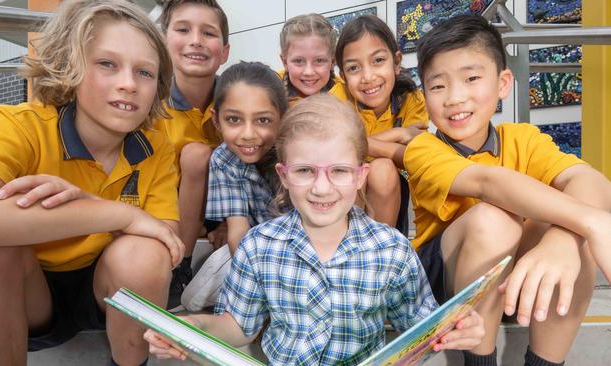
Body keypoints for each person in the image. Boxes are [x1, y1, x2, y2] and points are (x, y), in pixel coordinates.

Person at [144, 95, 486, 364]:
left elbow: (419, 326)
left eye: (338, 171)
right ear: (284, 175)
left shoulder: (392, 250)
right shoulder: (259, 245)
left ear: (360, 176)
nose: (322, 188)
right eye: (305, 171)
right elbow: (237, 326)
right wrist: (194, 326)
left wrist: (459, 328)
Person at [0, 0, 185, 365]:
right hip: (26, 287)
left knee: (146, 253)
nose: (128, 84)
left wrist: (85, 206)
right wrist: (113, 215)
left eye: (144, 72)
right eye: (107, 64)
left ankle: (130, 361)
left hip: (105, 286)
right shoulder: (18, 124)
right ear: (72, 68)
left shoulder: (156, 144)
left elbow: (167, 240)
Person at [406, 14, 611, 366]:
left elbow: (591, 180)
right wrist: (592, 224)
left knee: (569, 230)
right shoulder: (422, 148)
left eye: (471, 78)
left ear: (503, 84)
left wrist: (564, 238)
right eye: (438, 86)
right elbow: (488, 182)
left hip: (517, 282)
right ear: (424, 94)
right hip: (447, 286)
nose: (455, 97)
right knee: (495, 217)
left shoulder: (522, 138)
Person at [179, 61, 287, 311]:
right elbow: (238, 233)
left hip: (311, 248)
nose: (248, 134)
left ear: (282, 119)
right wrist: (260, 285)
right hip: (259, 253)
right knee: (193, 299)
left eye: (262, 120)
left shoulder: (299, 152)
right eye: (234, 120)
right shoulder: (224, 159)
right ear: (217, 121)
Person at [154, 0, 231, 309]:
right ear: (163, 41)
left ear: (225, 51)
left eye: (208, 33)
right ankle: (180, 267)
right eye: (183, 30)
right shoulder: (150, 104)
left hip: (223, 211)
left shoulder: (238, 100)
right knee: (196, 154)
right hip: (165, 211)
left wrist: (223, 221)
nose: (196, 40)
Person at [335, 15, 428, 234]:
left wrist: (358, 145)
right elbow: (336, 152)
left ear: (396, 62)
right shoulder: (337, 99)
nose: (368, 76)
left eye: (378, 60)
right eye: (353, 68)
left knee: (383, 168)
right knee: (352, 170)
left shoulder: (410, 98)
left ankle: (383, 253)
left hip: (391, 190)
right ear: (343, 76)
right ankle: (344, 247)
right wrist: (398, 133)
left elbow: (413, 156)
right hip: (341, 187)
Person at [277, 13, 347, 107]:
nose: (308, 72)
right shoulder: (270, 96)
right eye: (299, 61)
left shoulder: (348, 99)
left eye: (319, 61)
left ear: (333, 61)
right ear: (285, 62)